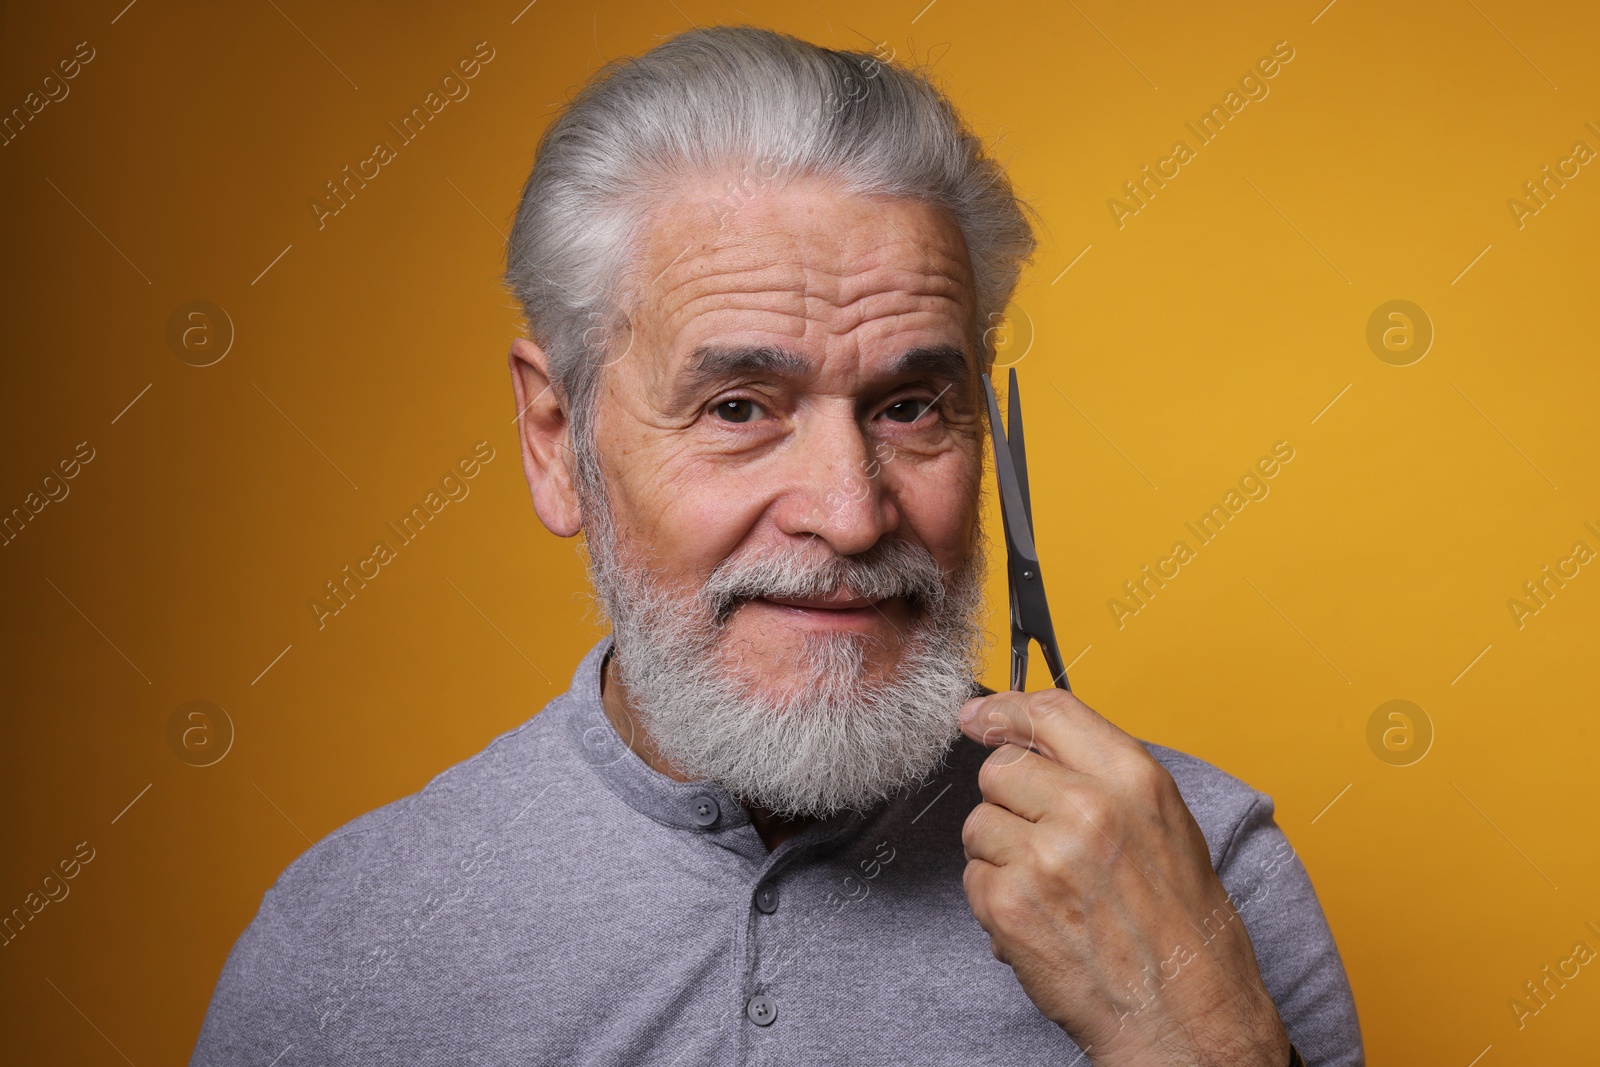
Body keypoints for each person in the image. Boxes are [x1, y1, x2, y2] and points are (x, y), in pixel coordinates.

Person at [191, 25, 1362, 1066]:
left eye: (909, 406)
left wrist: (1197, 1039)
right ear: (557, 440)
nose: (851, 515)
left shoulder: (1206, 877)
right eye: (739, 407)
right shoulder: (346, 942)